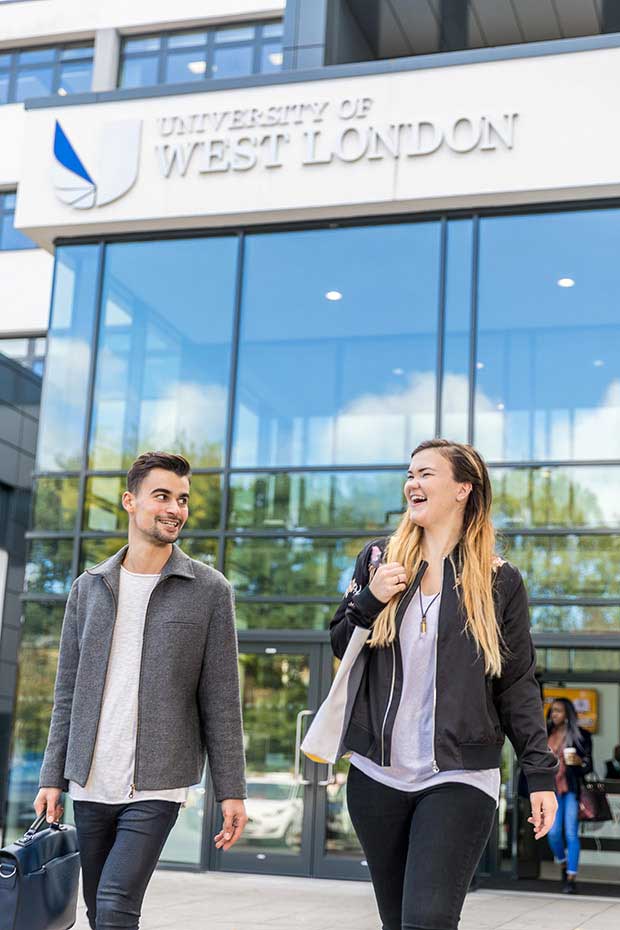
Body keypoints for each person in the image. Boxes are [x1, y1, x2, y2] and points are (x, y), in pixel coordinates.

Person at [330, 439, 559, 930]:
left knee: (428, 919)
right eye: (410, 473)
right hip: (377, 775)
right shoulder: (378, 559)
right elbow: (339, 642)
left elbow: (518, 684)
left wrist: (539, 774)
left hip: (458, 774)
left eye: (426, 473)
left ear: (462, 489)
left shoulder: (498, 580)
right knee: (397, 921)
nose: (413, 482)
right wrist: (369, 600)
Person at [34, 451, 248, 930]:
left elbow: (221, 698)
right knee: (97, 908)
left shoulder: (210, 590)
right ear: (131, 502)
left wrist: (231, 789)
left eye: (183, 499)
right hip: (90, 780)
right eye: (162, 496)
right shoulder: (87, 589)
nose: (175, 508)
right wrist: (53, 776)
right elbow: (66, 693)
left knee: (114, 904)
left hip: (158, 781)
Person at [546, 697, 593, 893]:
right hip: (551, 790)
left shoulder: (581, 735)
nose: (554, 714)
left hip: (571, 790)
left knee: (571, 833)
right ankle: (564, 863)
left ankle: (571, 878)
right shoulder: (546, 734)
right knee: (553, 832)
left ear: (567, 715)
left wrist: (576, 762)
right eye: (552, 711)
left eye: (558, 711)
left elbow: (589, 766)